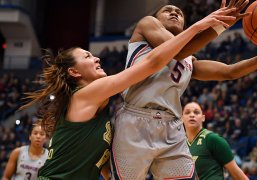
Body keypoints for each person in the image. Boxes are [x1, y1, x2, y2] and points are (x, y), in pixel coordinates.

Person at [19, 10, 232, 179]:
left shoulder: (100, 111)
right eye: (87, 56)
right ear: (74, 72)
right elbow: (152, 63)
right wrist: (200, 25)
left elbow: (98, 161)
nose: (96, 59)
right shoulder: (87, 95)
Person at [111, 0, 257, 179]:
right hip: (135, 120)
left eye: (179, 12)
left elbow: (230, 72)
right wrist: (218, 25)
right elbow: (179, 51)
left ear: (185, 26)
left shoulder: (189, 60)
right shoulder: (147, 24)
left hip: (171, 127)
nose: (174, 12)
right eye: (167, 10)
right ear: (157, 18)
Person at [182, 101, 248, 180]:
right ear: (181, 118)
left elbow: (238, 175)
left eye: (196, 112)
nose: (192, 115)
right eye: (187, 112)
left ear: (203, 118)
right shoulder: (179, 145)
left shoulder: (213, 139)